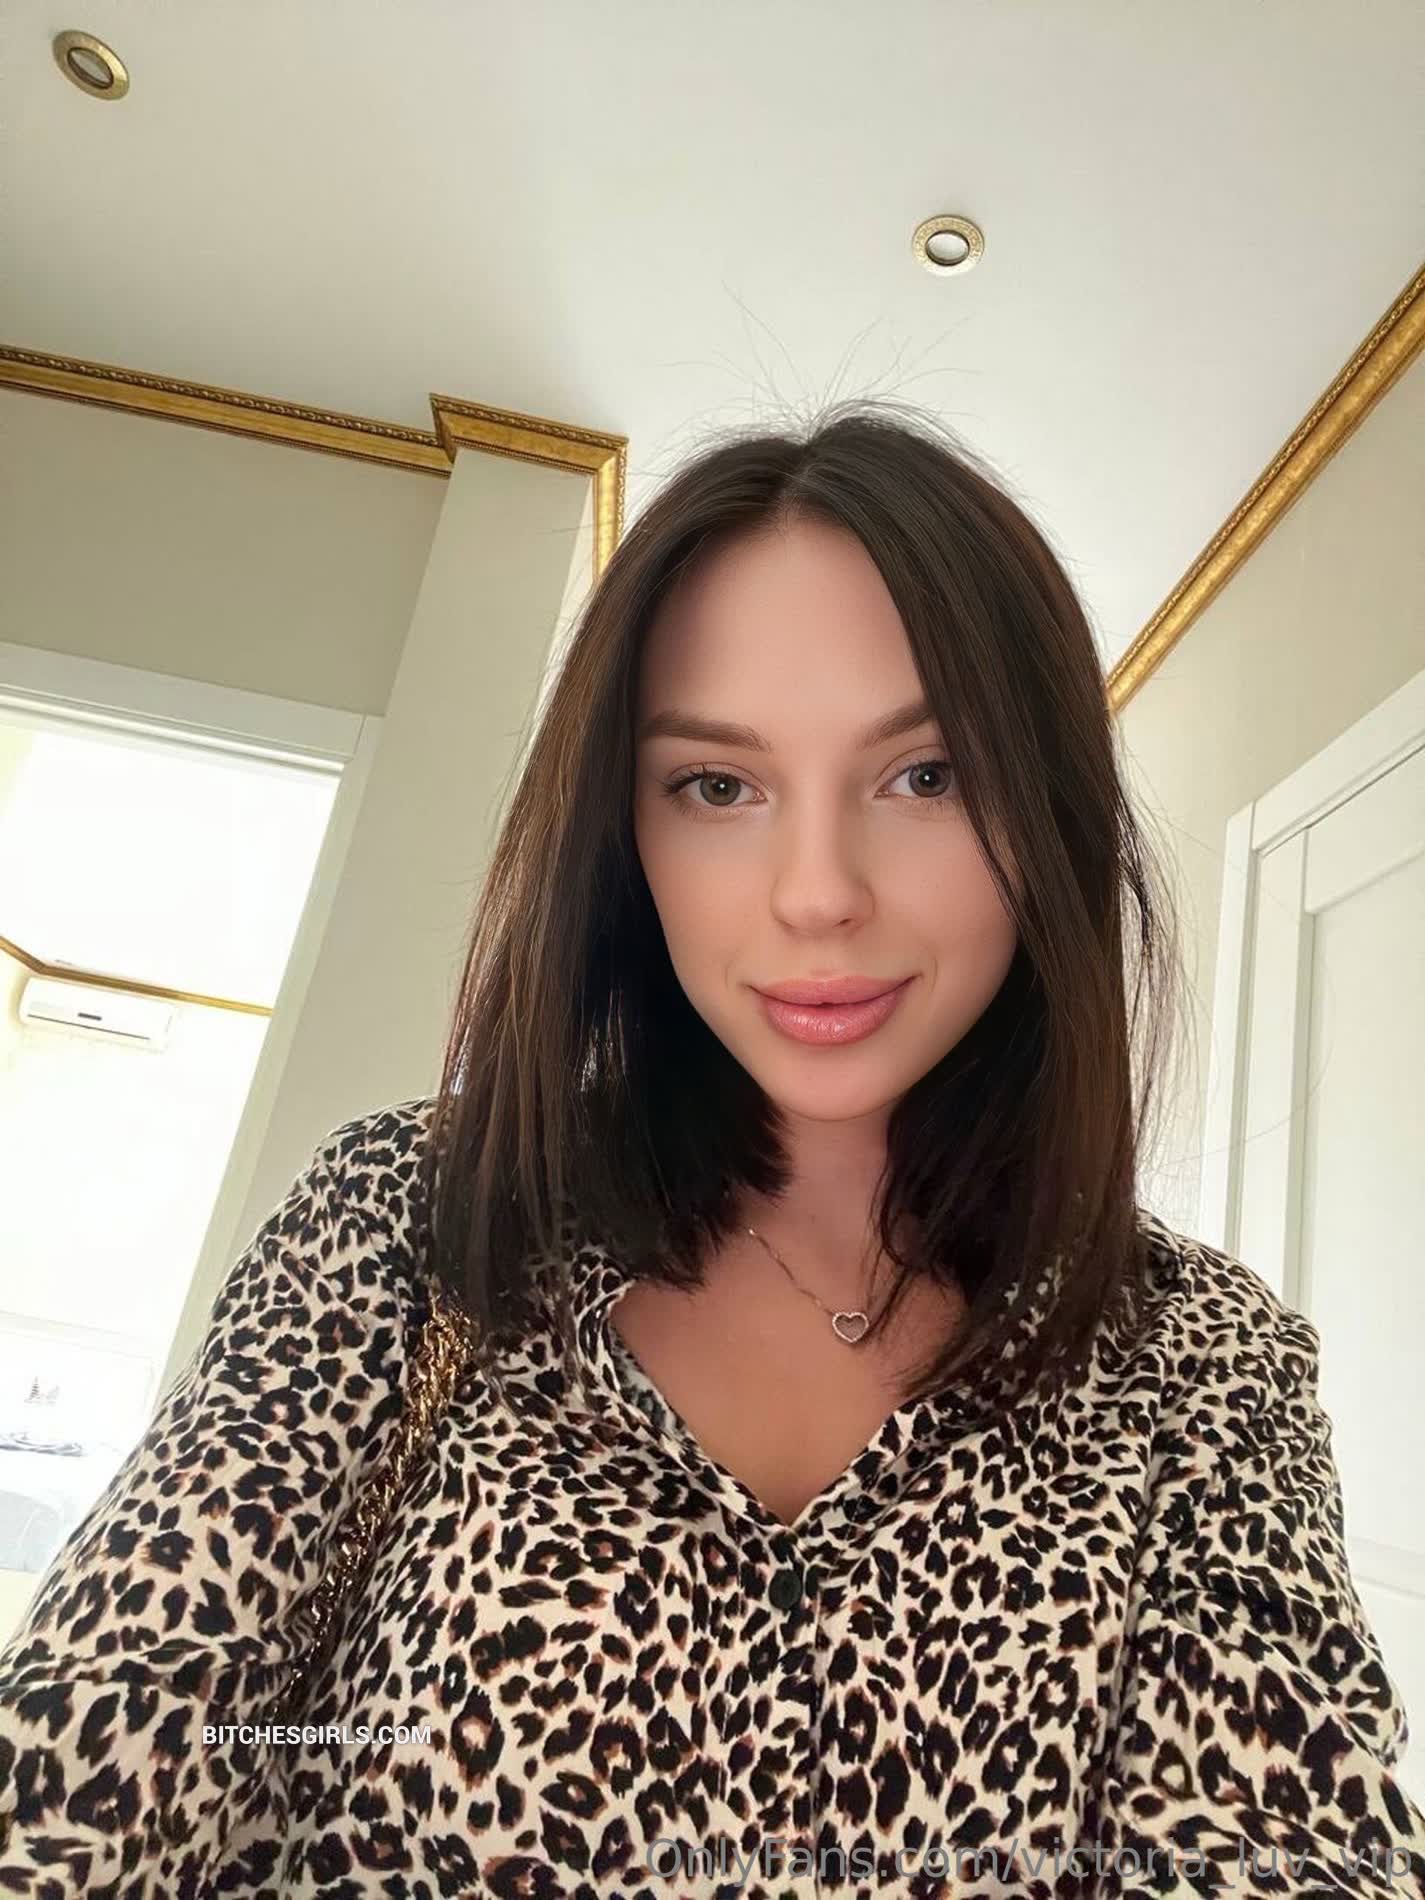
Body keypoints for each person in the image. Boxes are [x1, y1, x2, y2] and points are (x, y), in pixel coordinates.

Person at [0, 400, 1420, 1898]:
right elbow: (103, 1743)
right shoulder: (412, 1217)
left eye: (927, 774)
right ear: (628, 837)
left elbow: (1283, 1842)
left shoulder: (1201, 1363)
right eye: (718, 786)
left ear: (1050, 815)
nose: (817, 893)